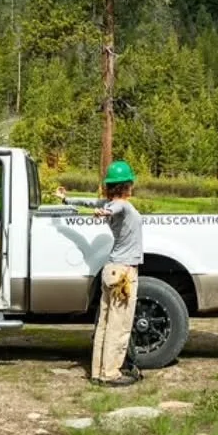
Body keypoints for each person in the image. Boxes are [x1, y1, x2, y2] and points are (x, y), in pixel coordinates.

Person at [56, 160, 143, 387]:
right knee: (119, 324)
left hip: (110, 270)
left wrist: (67, 199)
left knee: (105, 323)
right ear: (126, 185)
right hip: (123, 273)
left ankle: (98, 371)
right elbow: (112, 209)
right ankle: (110, 374)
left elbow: (90, 201)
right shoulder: (120, 205)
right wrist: (102, 212)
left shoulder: (110, 203)